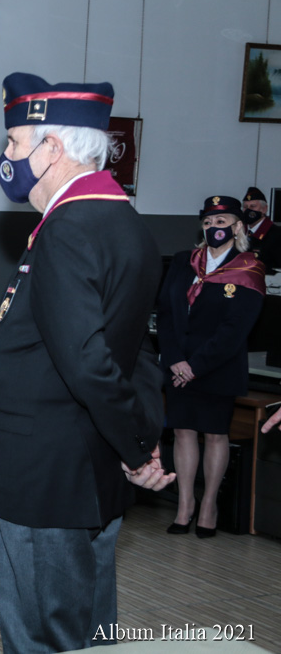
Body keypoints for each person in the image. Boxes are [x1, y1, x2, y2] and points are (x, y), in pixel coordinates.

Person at [0, 73, 176, 653]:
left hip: (42, 479)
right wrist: (141, 441)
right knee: (89, 631)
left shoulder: (68, 229)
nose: (8, 156)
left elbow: (89, 361)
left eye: (14, 142)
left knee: (46, 635)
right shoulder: (126, 223)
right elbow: (137, 351)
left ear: (52, 149)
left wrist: (135, 449)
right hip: (88, 468)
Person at [158, 196, 266, 538]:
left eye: (221, 222)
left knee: (215, 434)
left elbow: (235, 330)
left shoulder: (248, 268)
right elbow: (165, 312)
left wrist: (195, 366)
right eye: (207, 222)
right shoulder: (184, 261)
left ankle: (209, 506)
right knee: (182, 432)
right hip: (178, 364)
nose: (213, 228)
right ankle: (185, 505)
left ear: (238, 226)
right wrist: (175, 359)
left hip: (218, 365)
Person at [241, 186, 281, 270]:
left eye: (253, 206)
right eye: (245, 207)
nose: (248, 210)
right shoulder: (238, 231)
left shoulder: (277, 234)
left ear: (264, 209)